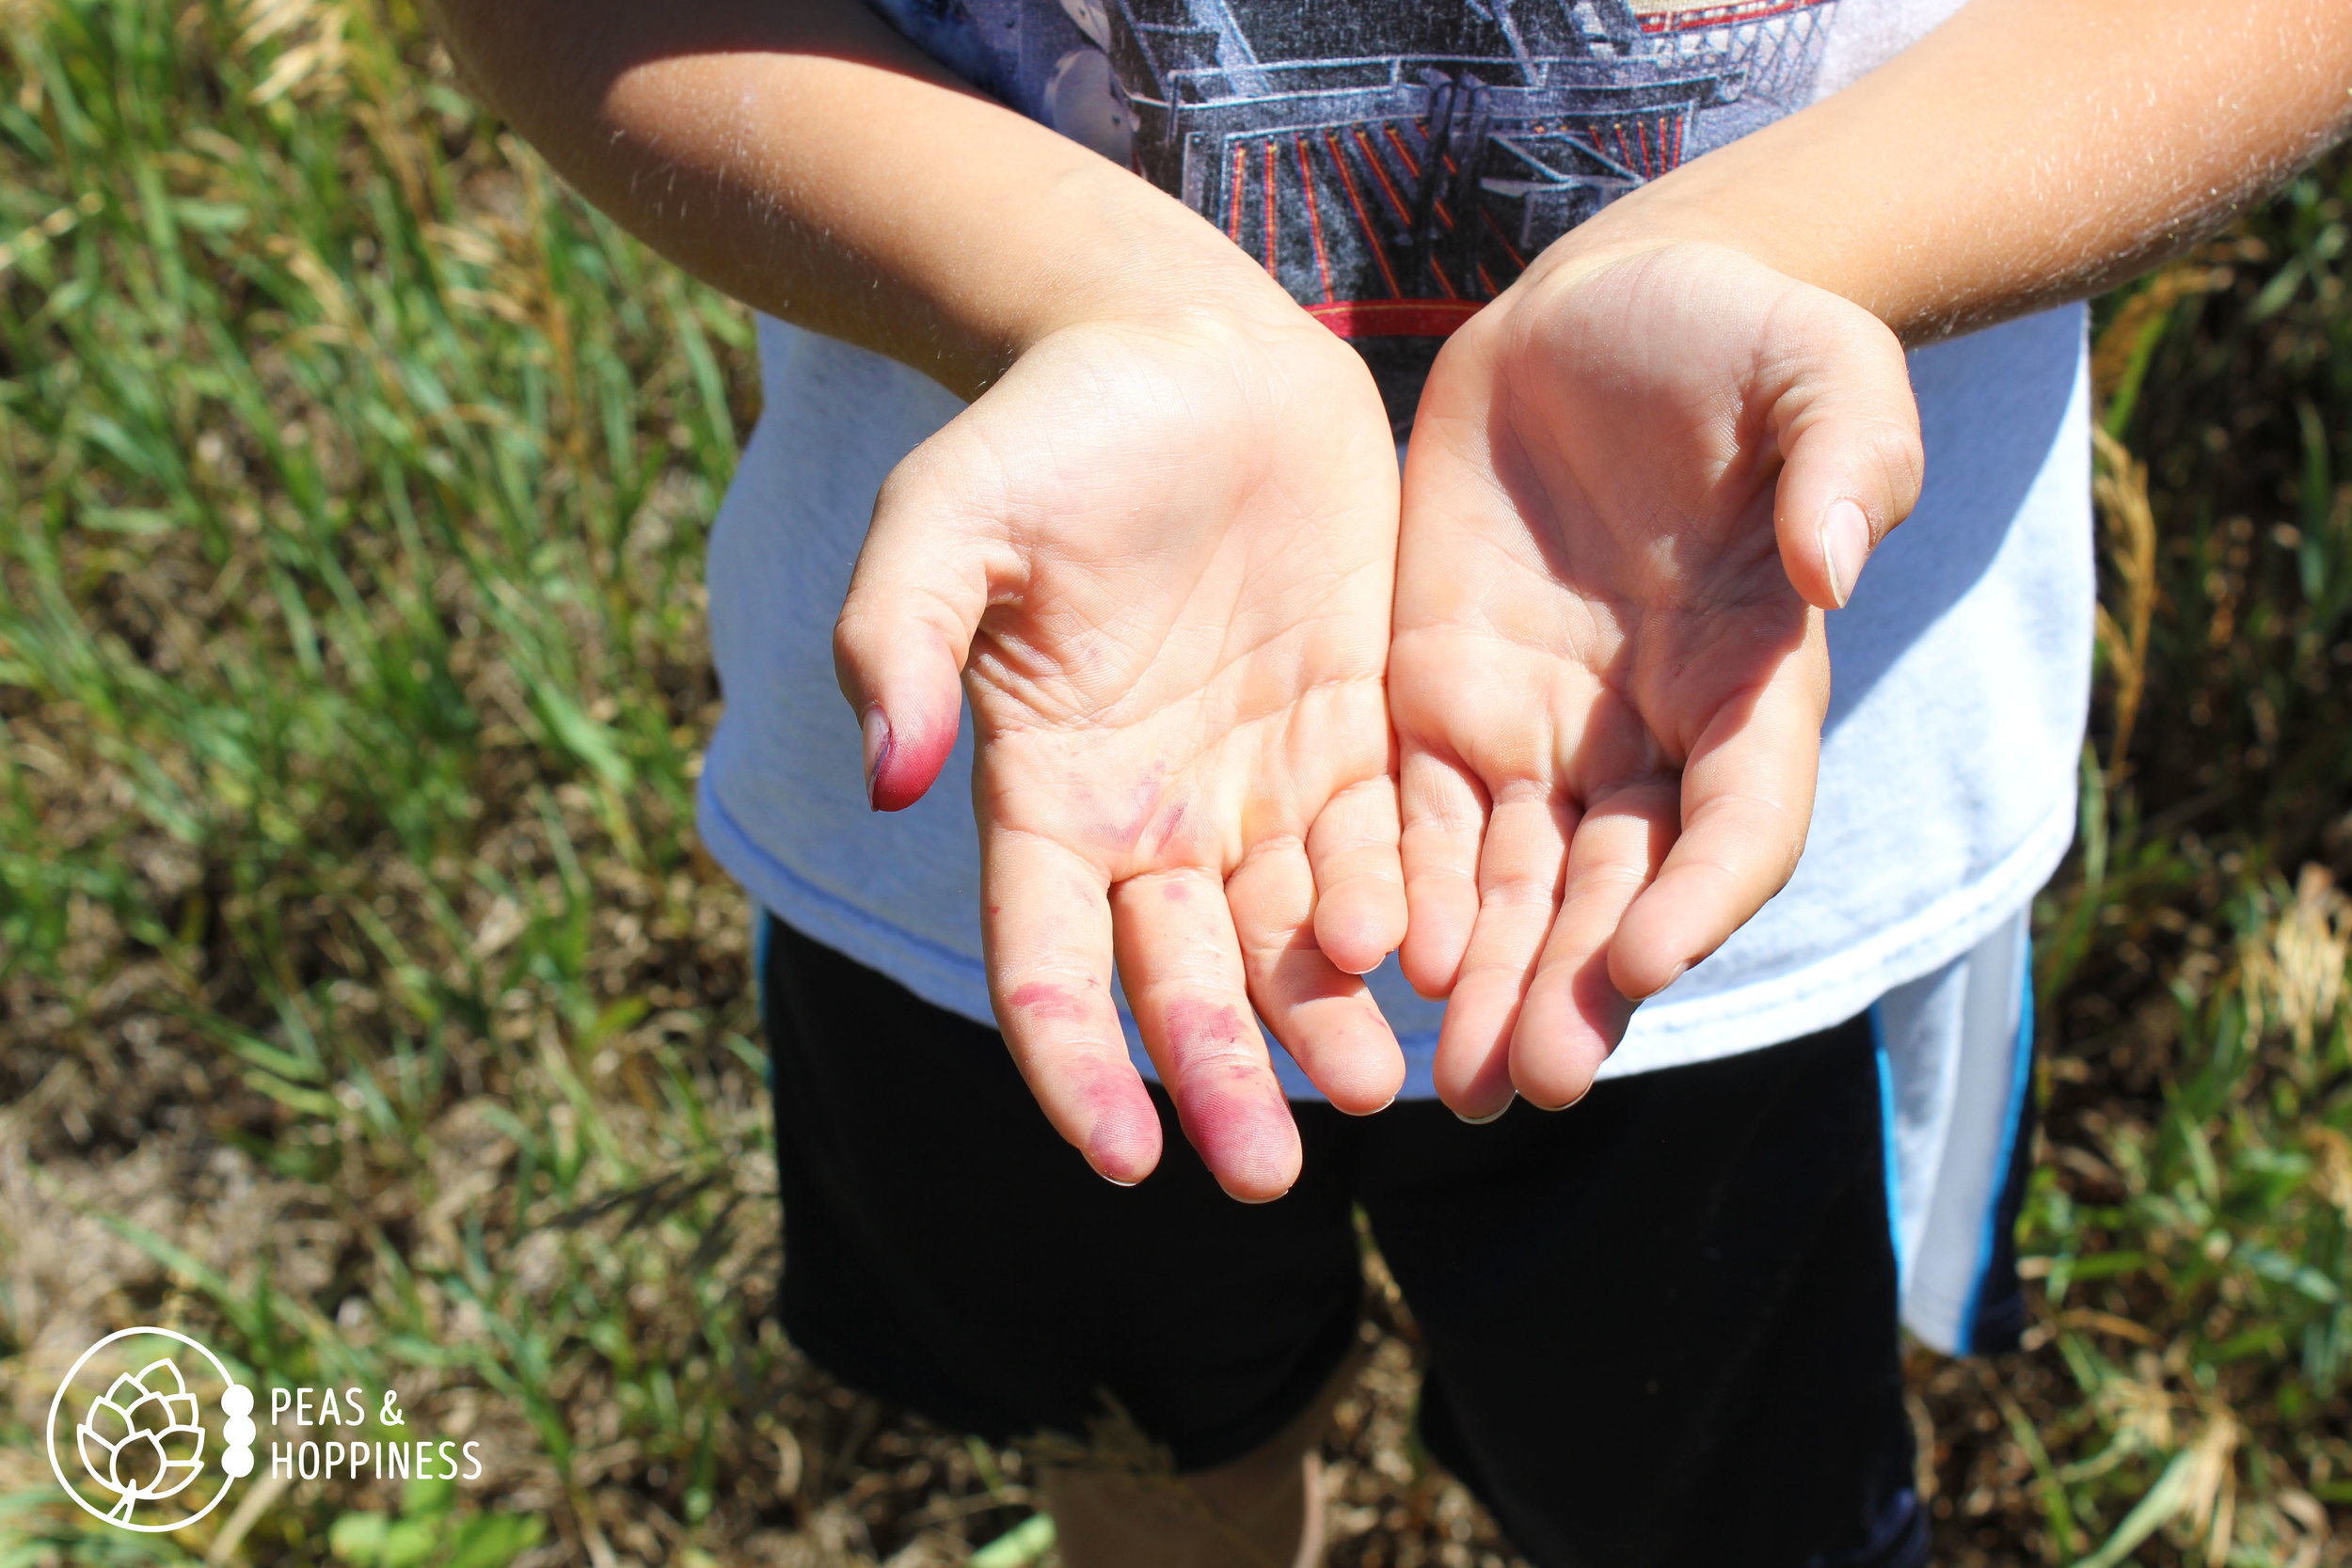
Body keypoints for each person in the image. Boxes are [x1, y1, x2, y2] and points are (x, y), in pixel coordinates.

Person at [426, 0, 2352, 1562]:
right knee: (1139, 1440)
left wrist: (1768, 247)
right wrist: (1063, 285)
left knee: (1716, 1492)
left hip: (1741, 823)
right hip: (1033, 793)